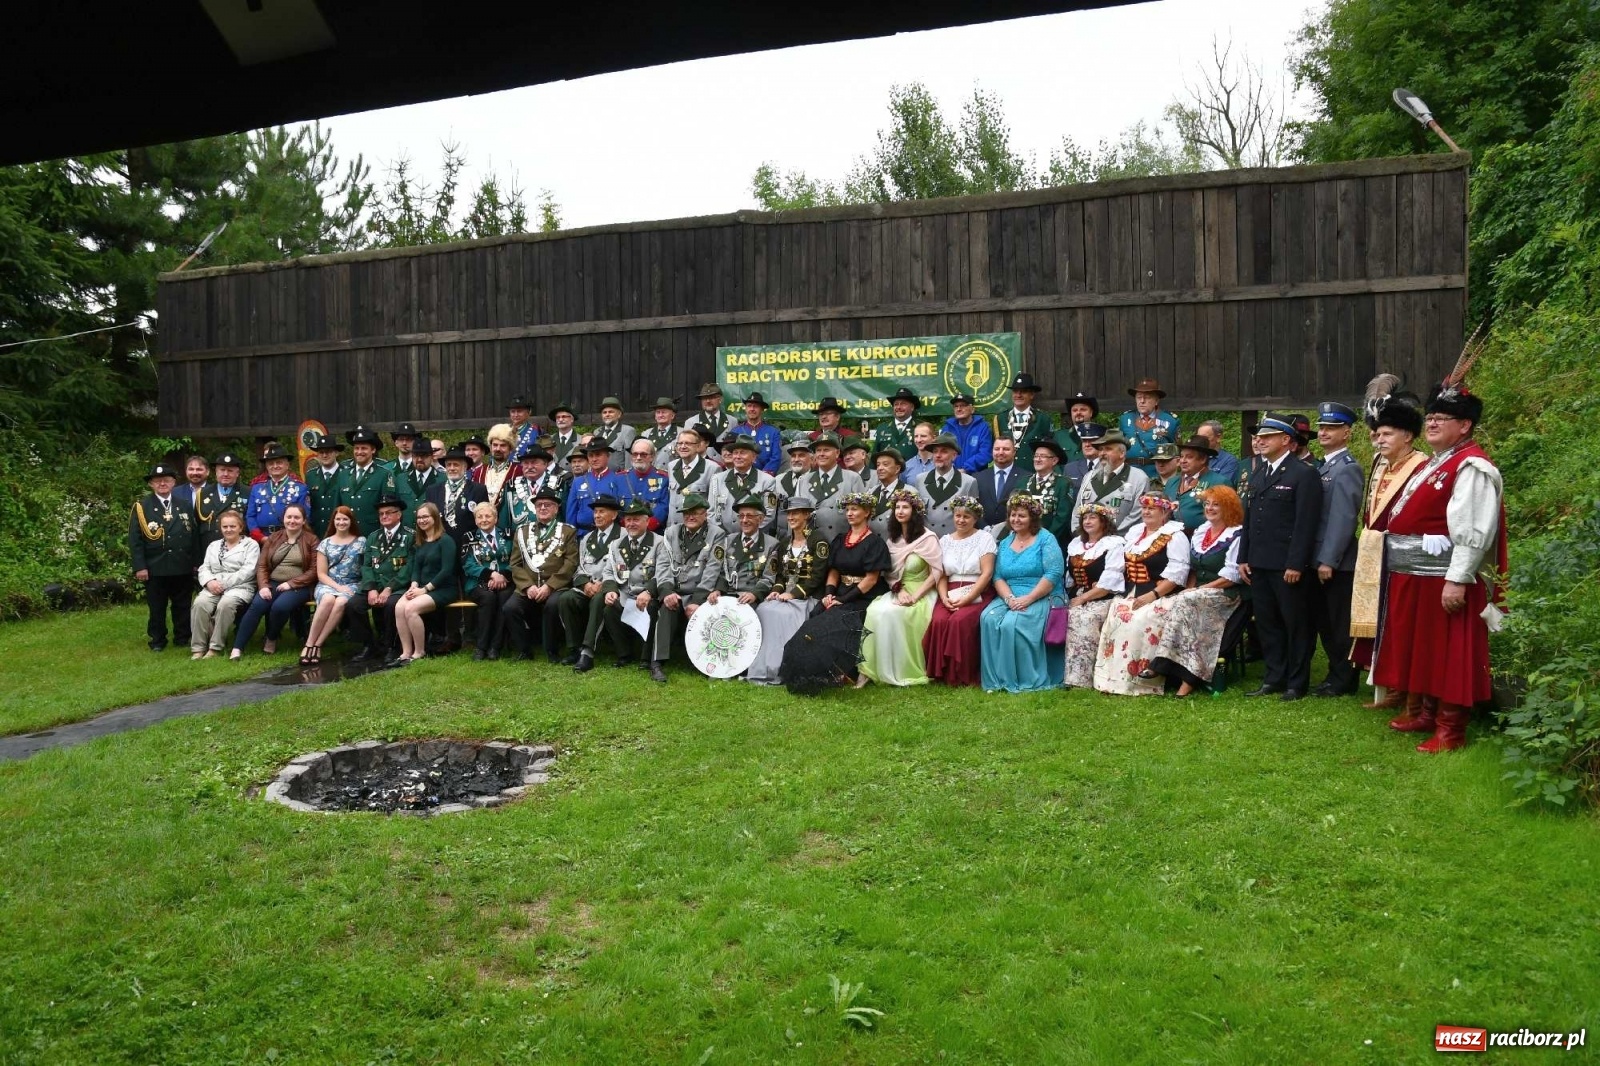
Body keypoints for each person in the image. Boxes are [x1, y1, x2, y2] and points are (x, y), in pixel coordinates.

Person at [1372, 372, 1506, 753]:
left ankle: (1451, 730)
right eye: (1430, 416)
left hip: (1444, 576)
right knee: (1426, 648)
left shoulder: (1472, 466)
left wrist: (1458, 578)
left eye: (1441, 418)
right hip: (1417, 573)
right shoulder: (1439, 461)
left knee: (1450, 652)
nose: (1430, 421)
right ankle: (1428, 713)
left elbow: (1473, 530)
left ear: (1464, 426)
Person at [1349, 383, 1428, 709]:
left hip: (1404, 555)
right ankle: (1390, 687)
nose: (1379, 440)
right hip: (1375, 552)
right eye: (1377, 435)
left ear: (1408, 436)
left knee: (1400, 623)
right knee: (1382, 621)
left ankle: (1408, 690)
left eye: (1387, 434)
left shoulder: (1422, 466)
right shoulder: (1381, 466)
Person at [1238, 414, 1324, 701]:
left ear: (1286, 440)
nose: (1259, 440)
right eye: (1259, 436)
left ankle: (1296, 682)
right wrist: (1243, 556)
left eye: (1267, 435)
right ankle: (1273, 677)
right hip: (1260, 561)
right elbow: (1249, 520)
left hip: (1286, 563)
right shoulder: (1259, 473)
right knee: (1267, 623)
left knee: (1295, 624)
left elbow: (1305, 523)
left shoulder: (1303, 473)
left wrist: (1296, 564)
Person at [781, 493, 891, 693]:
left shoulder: (874, 543)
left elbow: (871, 579)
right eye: (847, 509)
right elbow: (833, 571)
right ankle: (820, 670)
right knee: (816, 614)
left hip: (863, 595)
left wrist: (843, 600)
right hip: (839, 591)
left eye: (855, 509)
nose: (850, 513)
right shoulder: (841, 540)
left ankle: (853, 671)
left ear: (867, 512)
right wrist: (830, 593)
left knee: (840, 619)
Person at [1149, 487, 1246, 696]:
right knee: (1173, 603)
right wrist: (1191, 588)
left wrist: (1198, 591)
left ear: (1228, 507)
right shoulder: (1202, 531)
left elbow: (1231, 577)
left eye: (1216, 504)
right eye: (1207, 504)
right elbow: (1193, 570)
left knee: (1186, 602)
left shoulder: (1236, 534)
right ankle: (1172, 670)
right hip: (1199, 593)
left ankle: (1185, 676)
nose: (1209, 508)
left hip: (1227, 594)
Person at [1093, 492, 1192, 696]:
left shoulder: (1175, 536)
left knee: (1138, 620)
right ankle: (1112, 680)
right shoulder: (1135, 533)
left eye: (1151, 508)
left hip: (1162, 595)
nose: (1146, 512)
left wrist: (1152, 596)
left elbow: (1177, 575)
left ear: (1164, 512)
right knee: (1116, 617)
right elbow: (1120, 566)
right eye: (1144, 508)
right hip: (1132, 592)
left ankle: (1140, 681)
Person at [979, 495, 1066, 693]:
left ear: (1033, 518)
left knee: (1012, 623)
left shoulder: (1046, 538)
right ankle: (996, 680)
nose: (1016, 519)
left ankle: (1023, 678)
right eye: (1013, 515)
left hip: (1041, 593)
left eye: (1022, 516)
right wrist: (1009, 599)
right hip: (1009, 594)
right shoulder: (1006, 541)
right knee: (988, 619)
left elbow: (1053, 573)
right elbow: (998, 576)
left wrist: (1029, 598)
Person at [859, 489, 944, 687]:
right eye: (897, 507)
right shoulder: (893, 540)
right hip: (899, 589)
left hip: (923, 591)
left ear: (915, 512)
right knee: (875, 611)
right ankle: (869, 670)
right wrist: (900, 590)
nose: (900, 511)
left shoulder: (928, 538)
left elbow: (936, 573)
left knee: (897, 615)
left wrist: (915, 597)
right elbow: (889, 574)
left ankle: (903, 669)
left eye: (905, 507)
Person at [1309, 401, 1364, 696]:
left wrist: (1328, 559)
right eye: (1321, 427)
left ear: (1347, 432)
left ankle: (1344, 679)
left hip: (1336, 562)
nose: (1324, 432)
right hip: (1320, 558)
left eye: (1331, 428)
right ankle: (1335, 674)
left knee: (1338, 624)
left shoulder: (1347, 469)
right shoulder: (1326, 466)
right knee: (1325, 623)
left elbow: (1343, 519)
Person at [747, 496, 829, 686]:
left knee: (782, 613)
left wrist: (793, 594)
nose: (790, 517)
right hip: (785, 596)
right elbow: (780, 575)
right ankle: (764, 666)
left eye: (796, 513)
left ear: (807, 515)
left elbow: (817, 576)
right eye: (789, 514)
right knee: (765, 609)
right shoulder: (784, 542)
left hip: (807, 597)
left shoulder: (818, 540)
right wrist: (776, 591)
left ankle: (784, 667)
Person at [923, 496, 997, 687]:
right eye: (958, 516)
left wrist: (968, 598)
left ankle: (962, 674)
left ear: (975, 519)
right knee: (939, 620)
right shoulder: (945, 540)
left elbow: (987, 573)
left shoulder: (984, 538)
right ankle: (940, 672)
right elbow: (941, 574)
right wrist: (944, 597)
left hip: (977, 590)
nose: (961, 520)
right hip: (950, 590)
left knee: (959, 621)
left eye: (966, 517)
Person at [231, 502, 318, 659]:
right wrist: (263, 586)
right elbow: (262, 565)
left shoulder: (311, 540)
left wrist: (291, 583)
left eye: (297, 517)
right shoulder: (273, 538)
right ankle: (237, 648)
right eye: (289, 517)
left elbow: (314, 570)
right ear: (283, 519)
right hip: (273, 583)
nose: (292, 520)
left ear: (304, 521)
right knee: (257, 606)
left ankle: (271, 638)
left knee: (280, 607)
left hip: (300, 585)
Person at [502, 486, 578, 662]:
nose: (543, 508)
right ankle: (524, 650)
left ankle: (551, 651)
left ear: (557, 508)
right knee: (510, 608)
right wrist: (528, 586)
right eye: (539, 505)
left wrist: (550, 586)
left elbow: (570, 563)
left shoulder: (567, 531)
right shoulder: (522, 531)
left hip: (556, 587)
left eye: (548, 505)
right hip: (527, 586)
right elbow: (515, 563)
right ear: (534, 508)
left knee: (552, 606)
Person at [599, 499, 672, 680]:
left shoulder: (659, 542)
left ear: (647, 521)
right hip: (625, 594)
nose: (631, 523)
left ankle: (646, 658)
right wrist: (610, 590)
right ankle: (624, 654)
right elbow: (608, 571)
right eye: (628, 520)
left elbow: (663, 573)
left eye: (636, 519)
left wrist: (648, 591)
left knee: (653, 608)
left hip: (647, 595)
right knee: (609, 608)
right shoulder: (616, 544)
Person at [130, 462, 199, 652]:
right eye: (158, 481)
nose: (162, 484)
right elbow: (135, 540)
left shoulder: (184, 505)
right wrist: (140, 566)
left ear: (173, 483)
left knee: (182, 604)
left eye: (166, 480)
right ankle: (158, 640)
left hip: (181, 564)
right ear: (151, 484)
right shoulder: (142, 507)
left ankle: (183, 637)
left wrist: (195, 562)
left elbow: (193, 536)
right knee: (157, 606)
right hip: (155, 566)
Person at [1060, 504, 1127, 689]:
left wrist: (1083, 598)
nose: (1087, 521)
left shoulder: (1114, 544)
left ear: (1104, 521)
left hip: (1102, 598)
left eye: (1092, 518)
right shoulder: (1075, 545)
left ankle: (1080, 679)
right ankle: (1060, 674)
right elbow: (1069, 578)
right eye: (1085, 518)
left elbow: (1108, 583)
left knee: (1083, 619)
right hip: (1076, 595)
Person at [387, 501, 457, 666]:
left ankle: (419, 652)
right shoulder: (420, 541)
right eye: (419, 517)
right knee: (399, 607)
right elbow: (415, 567)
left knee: (411, 608)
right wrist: (414, 585)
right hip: (421, 588)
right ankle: (405, 653)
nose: (422, 520)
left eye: (425, 516)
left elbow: (446, 571)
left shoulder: (446, 541)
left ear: (434, 517)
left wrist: (425, 589)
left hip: (442, 589)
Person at [559, 495, 624, 669]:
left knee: (598, 600)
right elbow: (579, 567)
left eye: (602, 511)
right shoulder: (587, 538)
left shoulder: (623, 536)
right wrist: (585, 584)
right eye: (595, 512)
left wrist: (603, 584)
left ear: (614, 515)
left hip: (611, 586)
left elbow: (625, 568)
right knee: (566, 598)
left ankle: (587, 652)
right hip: (588, 586)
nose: (597, 516)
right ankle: (574, 648)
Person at [656, 492, 717, 667]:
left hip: (699, 594)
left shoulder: (716, 534)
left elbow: (712, 570)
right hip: (674, 591)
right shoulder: (671, 532)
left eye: (695, 512)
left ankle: (702, 662)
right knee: (665, 607)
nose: (690, 517)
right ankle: (658, 662)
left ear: (705, 514)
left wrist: (697, 600)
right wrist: (667, 591)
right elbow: (663, 565)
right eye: (686, 513)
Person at [301, 505, 366, 664]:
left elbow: (365, 568)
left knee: (341, 602)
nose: (341, 522)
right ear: (333, 521)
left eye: (345, 519)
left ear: (351, 521)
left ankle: (318, 644)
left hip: (352, 584)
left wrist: (346, 588)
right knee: (329, 600)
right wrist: (337, 587)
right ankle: (309, 643)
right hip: (328, 584)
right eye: (338, 519)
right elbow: (321, 574)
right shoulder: (325, 544)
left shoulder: (361, 542)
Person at [189, 510, 259, 658]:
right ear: (220, 528)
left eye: (232, 526)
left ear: (241, 527)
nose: (228, 530)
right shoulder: (213, 545)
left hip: (240, 587)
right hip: (212, 586)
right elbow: (204, 567)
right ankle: (198, 648)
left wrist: (222, 584)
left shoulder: (251, 545)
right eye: (225, 526)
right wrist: (209, 582)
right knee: (200, 603)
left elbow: (248, 571)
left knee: (225, 604)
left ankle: (215, 648)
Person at [353, 493, 412, 662]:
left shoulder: (410, 536)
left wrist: (388, 589)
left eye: (389, 512)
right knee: (353, 605)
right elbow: (367, 565)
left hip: (397, 586)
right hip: (375, 585)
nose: (384, 516)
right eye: (381, 514)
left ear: (399, 514)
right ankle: (370, 645)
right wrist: (371, 588)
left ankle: (392, 647)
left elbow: (409, 567)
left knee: (391, 605)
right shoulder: (373, 536)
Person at [462, 501, 515, 660]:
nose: (484, 520)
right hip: (478, 583)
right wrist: (491, 575)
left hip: (505, 581)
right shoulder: (469, 537)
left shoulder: (508, 534)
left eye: (488, 516)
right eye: (480, 517)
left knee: (504, 598)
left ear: (496, 518)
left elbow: (517, 559)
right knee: (488, 597)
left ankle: (495, 647)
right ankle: (481, 646)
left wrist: (503, 575)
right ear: (475, 519)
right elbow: (467, 564)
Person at [1072, 428, 1149, 533]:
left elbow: (1137, 515)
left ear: (1122, 453)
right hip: (1087, 541)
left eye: (1108, 449)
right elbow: (1077, 510)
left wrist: (1109, 536)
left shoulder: (1138, 478)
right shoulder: (1089, 476)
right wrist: (1078, 534)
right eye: (1100, 449)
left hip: (1121, 541)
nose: (1102, 453)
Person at [706, 434, 778, 537]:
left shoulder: (767, 481)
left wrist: (748, 533)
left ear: (753, 457)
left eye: (743, 453)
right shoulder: (717, 479)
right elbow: (711, 512)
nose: (738, 456)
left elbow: (769, 514)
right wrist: (722, 535)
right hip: (723, 538)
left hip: (754, 539)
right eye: (735, 453)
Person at [335, 426, 400, 537]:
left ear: (373, 450)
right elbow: (337, 508)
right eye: (356, 448)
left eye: (364, 448)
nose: (359, 452)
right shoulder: (343, 475)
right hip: (347, 535)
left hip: (372, 535)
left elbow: (388, 509)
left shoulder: (384, 474)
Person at [427, 446, 490, 558]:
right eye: (448, 465)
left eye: (456, 464)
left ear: (465, 467)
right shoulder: (432, 490)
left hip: (468, 549)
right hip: (439, 549)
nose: (451, 468)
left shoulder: (478, 490)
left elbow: (484, 520)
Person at [808, 432, 867, 542]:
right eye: (818, 450)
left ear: (837, 453)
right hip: (811, 544)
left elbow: (861, 515)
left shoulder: (852, 478)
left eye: (826, 450)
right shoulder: (804, 480)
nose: (821, 454)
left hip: (841, 543)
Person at [915, 433, 977, 538]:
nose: (938, 455)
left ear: (954, 455)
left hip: (955, 542)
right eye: (935, 451)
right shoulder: (920, 480)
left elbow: (973, 518)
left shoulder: (968, 482)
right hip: (927, 542)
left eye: (944, 451)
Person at [245, 444, 308, 542]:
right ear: (266, 466)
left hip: (289, 539)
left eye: (279, 462)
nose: (275, 466)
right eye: (271, 463)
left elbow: (305, 516)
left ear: (287, 465)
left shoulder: (299, 488)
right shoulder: (257, 488)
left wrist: (288, 537)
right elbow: (250, 516)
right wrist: (260, 537)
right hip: (261, 540)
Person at [1166, 436, 1228, 533]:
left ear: (1203, 459)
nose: (1183, 460)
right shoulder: (1171, 482)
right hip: (1170, 540)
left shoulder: (1219, 483)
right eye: (1181, 456)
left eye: (1189, 457)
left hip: (1202, 541)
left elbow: (1226, 518)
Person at [1120, 378, 1181, 476]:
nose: (1142, 401)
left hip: (1157, 475)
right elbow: (1120, 447)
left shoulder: (1171, 421)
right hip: (1130, 474)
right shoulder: (1125, 419)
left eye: (1147, 397)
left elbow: (1177, 451)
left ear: (1156, 401)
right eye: (1139, 397)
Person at [1019, 438, 1075, 543]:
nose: (1037, 459)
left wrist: (1043, 539)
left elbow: (1062, 518)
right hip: (1023, 539)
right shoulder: (1023, 482)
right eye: (1036, 456)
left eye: (1042, 456)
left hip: (1050, 541)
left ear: (1054, 461)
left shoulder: (1063, 484)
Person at [566, 439, 626, 535]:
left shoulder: (618, 479)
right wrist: (570, 536)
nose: (594, 459)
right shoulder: (578, 481)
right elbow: (571, 513)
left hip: (611, 535)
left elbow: (623, 510)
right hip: (583, 534)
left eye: (598, 455)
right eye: (590, 455)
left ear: (607, 456)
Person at [193, 452, 246, 555]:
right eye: (222, 470)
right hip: (208, 550)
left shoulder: (247, 493)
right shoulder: (203, 493)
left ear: (237, 473)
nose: (225, 474)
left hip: (238, 551)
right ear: (216, 472)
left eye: (230, 471)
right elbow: (196, 526)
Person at [665, 427, 715, 525]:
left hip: (698, 528)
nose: (683, 446)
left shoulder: (712, 468)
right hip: (674, 528)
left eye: (688, 443)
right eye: (680, 443)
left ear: (698, 446)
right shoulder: (671, 466)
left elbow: (713, 506)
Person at [616, 439, 670, 530]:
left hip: (653, 532)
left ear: (652, 457)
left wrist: (647, 527)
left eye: (643, 454)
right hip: (626, 531)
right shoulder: (620, 478)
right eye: (635, 454)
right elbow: (616, 506)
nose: (638, 457)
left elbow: (663, 507)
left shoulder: (663, 479)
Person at [303, 432, 346, 533]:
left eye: (328, 452)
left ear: (336, 453)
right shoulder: (310, 475)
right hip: (316, 530)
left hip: (340, 529)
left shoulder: (347, 474)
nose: (325, 455)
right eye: (321, 452)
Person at [941, 392, 994, 474]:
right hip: (950, 475)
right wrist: (952, 470)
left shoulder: (983, 427)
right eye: (956, 406)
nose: (959, 409)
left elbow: (985, 453)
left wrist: (966, 469)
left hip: (977, 476)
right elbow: (942, 452)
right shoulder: (947, 428)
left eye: (962, 405)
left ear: (972, 409)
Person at [1001, 373, 1053, 452]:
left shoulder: (1043, 419)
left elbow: (1049, 449)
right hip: (1009, 464)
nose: (1018, 395)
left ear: (1031, 395)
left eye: (1023, 391)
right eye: (1015, 391)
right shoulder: (1000, 418)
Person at [734, 392, 783, 474]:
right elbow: (733, 456)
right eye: (749, 406)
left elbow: (776, 457)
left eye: (755, 406)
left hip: (765, 476)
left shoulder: (773, 432)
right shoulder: (736, 431)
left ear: (762, 409)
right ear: (745, 408)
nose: (752, 409)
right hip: (741, 474)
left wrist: (764, 476)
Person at [976, 437, 1019, 529]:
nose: (1000, 452)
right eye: (997, 449)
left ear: (1014, 452)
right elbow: (974, 507)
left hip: (1013, 533)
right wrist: (985, 528)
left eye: (1006, 449)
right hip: (982, 533)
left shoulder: (1025, 477)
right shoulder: (978, 477)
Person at [683, 383, 734, 458]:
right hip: (702, 467)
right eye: (704, 398)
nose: (708, 401)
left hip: (725, 466)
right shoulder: (691, 422)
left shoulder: (732, 421)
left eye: (711, 397)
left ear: (720, 399)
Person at [475, 424, 518, 510]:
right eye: (495, 445)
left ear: (510, 449)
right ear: (490, 447)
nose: (498, 449)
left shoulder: (518, 471)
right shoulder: (479, 471)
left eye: (503, 445)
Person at [871, 386, 921, 458]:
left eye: (903, 404)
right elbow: (874, 456)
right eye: (896, 404)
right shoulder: (882, 428)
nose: (898, 407)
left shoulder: (921, 427)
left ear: (912, 407)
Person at [1052, 392, 1099, 465]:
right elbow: (1053, 462)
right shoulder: (1059, 436)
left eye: (1083, 409)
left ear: (1091, 413)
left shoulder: (1101, 435)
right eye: (1075, 410)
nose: (1078, 412)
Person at [590, 396, 637, 467]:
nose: (607, 415)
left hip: (618, 476)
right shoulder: (596, 432)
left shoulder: (628, 431)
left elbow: (629, 458)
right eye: (604, 412)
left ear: (619, 414)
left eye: (611, 412)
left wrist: (627, 476)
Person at [399, 439, 440, 519]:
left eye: (424, 455)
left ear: (432, 457)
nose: (419, 459)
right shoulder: (401, 479)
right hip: (406, 529)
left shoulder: (442, 479)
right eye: (416, 455)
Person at [1196, 421, 1241, 486]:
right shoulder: (1194, 458)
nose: (1199, 441)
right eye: (1198, 438)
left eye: (1204, 438)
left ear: (1218, 438)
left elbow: (1221, 487)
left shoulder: (1229, 461)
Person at [547, 401, 583, 471]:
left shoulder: (581, 440)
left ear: (572, 419)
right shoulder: (549, 440)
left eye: (564, 417)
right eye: (558, 417)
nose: (560, 420)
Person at [901, 422, 939, 486]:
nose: (919, 440)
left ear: (934, 438)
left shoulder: (942, 463)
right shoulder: (907, 466)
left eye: (923, 436)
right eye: (916, 436)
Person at [506, 395, 539, 461]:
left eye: (519, 411)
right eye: (513, 411)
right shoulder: (503, 431)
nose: (516, 415)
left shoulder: (536, 431)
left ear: (528, 413)